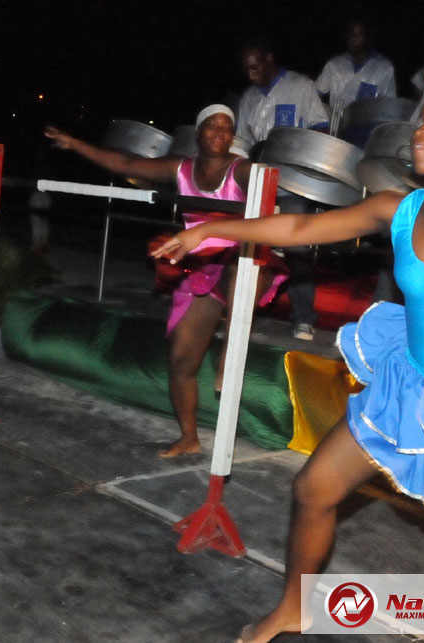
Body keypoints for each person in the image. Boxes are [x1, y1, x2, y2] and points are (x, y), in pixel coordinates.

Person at [152, 87, 424, 642]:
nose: (420, 131)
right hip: (406, 386)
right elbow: (301, 230)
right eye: (419, 122)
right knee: (313, 491)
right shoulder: (396, 209)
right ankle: (294, 608)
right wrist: (212, 230)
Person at [45, 105, 284, 458]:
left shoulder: (242, 169)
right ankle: (188, 437)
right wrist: (74, 143)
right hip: (206, 269)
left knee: (240, 265)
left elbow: (271, 179)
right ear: (198, 133)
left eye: (227, 127)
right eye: (212, 126)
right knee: (181, 359)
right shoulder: (181, 168)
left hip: (249, 260)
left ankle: (232, 351)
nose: (220, 132)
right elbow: (125, 164)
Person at [236, 42, 330, 341]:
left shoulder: (300, 86)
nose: (250, 76)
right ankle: (241, 310)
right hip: (258, 180)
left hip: (293, 180)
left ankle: (304, 318)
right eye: (246, 70)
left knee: (296, 246)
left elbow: (322, 128)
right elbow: (240, 140)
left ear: (269, 58)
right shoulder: (248, 98)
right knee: (252, 243)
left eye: (255, 67)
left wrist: (288, 145)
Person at [315, 18, 397, 135]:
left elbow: (390, 106)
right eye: (349, 34)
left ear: (367, 37)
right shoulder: (335, 64)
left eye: (357, 35)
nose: (351, 39)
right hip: (337, 130)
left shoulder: (384, 67)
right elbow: (315, 95)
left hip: (367, 131)